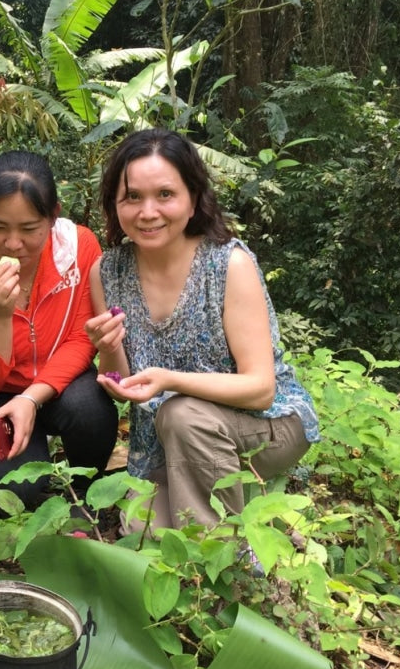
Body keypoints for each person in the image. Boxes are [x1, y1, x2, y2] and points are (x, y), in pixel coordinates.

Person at [85, 128, 320, 530]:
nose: (147, 212)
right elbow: (126, 383)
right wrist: (108, 349)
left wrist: (170, 381)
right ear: (114, 204)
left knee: (183, 416)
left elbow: (261, 389)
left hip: (268, 424)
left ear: (193, 198)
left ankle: (225, 560)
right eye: (132, 197)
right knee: (142, 528)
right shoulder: (107, 272)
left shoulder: (228, 265)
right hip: (167, 439)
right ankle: (235, 507)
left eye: (165, 195)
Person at [0, 151, 117, 510]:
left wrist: (32, 397)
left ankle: (85, 496)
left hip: (53, 386)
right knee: (21, 493)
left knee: (90, 407)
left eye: (30, 229)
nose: (13, 243)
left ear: (53, 215)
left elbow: (82, 337)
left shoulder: (79, 249)